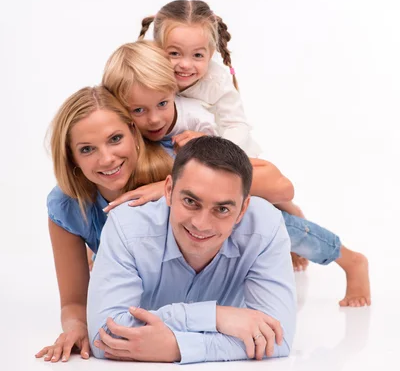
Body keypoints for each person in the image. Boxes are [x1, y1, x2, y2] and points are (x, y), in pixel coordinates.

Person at [102, 39, 371, 308]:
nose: (154, 119)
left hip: (226, 195)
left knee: (284, 226)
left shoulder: (194, 121)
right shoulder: (121, 143)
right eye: (138, 110)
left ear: (174, 91)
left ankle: (349, 260)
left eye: (162, 104)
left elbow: (229, 176)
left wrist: (163, 185)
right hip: (187, 218)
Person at [88, 136, 297, 363]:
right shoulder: (127, 226)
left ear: (243, 208)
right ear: (168, 190)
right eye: (190, 202)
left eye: (222, 209)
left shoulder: (265, 227)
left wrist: (176, 348)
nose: (201, 224)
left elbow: (277, 339)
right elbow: (104, 338)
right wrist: (215, 316)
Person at [35, 86, 172, 363]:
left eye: (115, 139)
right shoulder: (67, 204)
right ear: (72, 156)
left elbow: (264, 187)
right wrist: (77, 326)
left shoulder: (171, 167)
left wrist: (175, 186)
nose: (107, 158)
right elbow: (74, 300)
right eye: (87, 149)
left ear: (134, 133)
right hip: (131, 296)